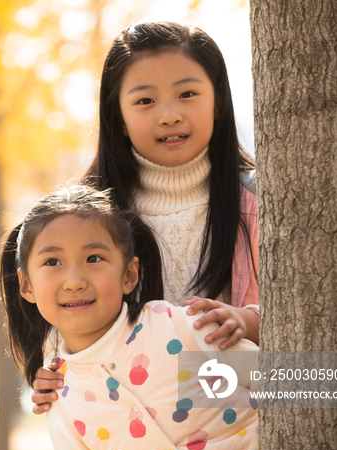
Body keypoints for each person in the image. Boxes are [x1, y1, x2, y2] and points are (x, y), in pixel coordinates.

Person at [31, 21, 260, 413]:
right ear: (117, 116)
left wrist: (250, 324)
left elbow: (327, 377)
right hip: (128, 429)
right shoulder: (83, 219)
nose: (169, 115)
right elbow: (70, 333)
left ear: (218, 102)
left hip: (244, 429)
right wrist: (59, 373)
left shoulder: (260, 203)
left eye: (187, 94)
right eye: (144, 101)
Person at [0, 185, 259, 450]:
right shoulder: (63, 408)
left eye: (94, 258)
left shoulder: (183, 331)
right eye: (53, 262)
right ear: (26, 286)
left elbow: (297, 385)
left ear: (129, 274)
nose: (74, 281)